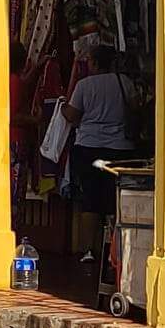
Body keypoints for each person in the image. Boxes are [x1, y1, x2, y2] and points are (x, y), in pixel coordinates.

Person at [60, 44, 134, 235]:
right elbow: (135, 109)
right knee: (116, 198)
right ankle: (115, 248)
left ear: (93, 62)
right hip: (120, 148)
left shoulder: (84, 85)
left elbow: (72, 114)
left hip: (88, 147)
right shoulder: (124, 82)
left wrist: (62, 107)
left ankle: (88, 250)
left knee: (90, 200)